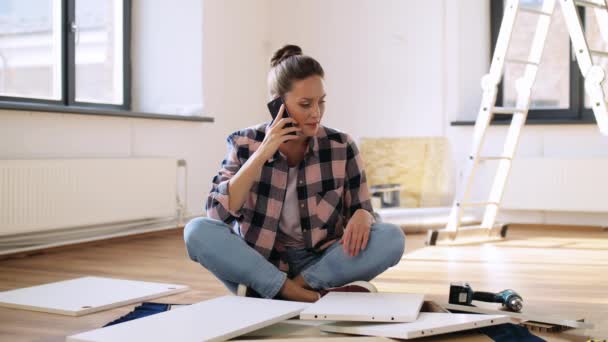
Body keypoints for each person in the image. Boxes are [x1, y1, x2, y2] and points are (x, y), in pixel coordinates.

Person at [184, 44, 405, 302]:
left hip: (323, 263)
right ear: (278, 105)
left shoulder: (341, 146)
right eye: (305, 104)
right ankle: (312, 296)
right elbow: (216, 213)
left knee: (391, 238)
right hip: (259, 263)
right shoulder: (244, 143)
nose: (316, 113)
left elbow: (364, 212)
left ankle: (286, 292)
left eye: (321, 102)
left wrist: (364, 216)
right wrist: (264, 152)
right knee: (196, 231)